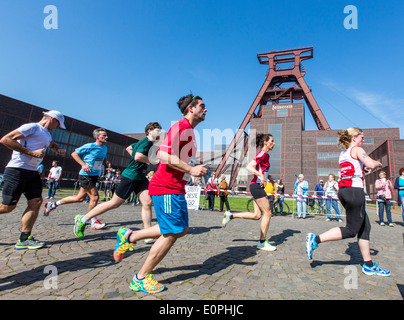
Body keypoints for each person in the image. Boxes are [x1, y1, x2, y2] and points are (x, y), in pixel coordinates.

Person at [112, 93, 207, 294]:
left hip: (175, 187)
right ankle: (141, 278)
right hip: (166, 188)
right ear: (191, 108)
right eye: (202, 106)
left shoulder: (189, 131)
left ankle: (130, 235)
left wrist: (192, 168)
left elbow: (177, 159)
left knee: (180, 229)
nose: (205, 109)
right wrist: (191, 170)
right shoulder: (180, 127)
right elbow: (163, 154)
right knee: (172, 231)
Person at [306, 127, 390, 276]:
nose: (363, 140)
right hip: (354, 191)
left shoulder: (343, 153)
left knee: (365, 227)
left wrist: (363, 169)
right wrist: (378, 163)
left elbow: (353, 169)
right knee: (352, 230)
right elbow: (370, 164)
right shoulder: (357, 149)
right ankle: (316, 239)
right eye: (362, 138)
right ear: (354, 138)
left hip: (345, 190)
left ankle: (368, 264)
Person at [73, 122, 162, 240]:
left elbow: (129, 148)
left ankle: (146, 233)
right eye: (158, 131)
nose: (160, 133)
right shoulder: (146, 141)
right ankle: (83, 219)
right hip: (131, 176)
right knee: (114, 203)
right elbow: (138, 156)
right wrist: (153, 160)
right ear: (150, 131)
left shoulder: (144, 142)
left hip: (140, 177)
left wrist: (137, 159)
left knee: (147, 202)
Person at [0, 110, 66, 249]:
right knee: (8, 207)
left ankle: (24, 238)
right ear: (52, 119)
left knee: (36, 202)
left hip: (32, 172)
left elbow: (50, 144)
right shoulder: (31, 127)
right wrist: (31, 152)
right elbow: (6, 139)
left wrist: (57, 149)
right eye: (58, 124)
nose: (58, 128)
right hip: (17, 170)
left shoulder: (47, 134)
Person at [43, 128, 110, 230]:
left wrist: (106, 163)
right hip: (86, 175)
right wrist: (83, 164)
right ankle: (93, 221)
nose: (106, 137)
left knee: (79, 198)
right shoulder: (90, 146)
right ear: (97, 137)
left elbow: (100, 158)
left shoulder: (104, 148)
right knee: (95, 197)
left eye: (106, 135)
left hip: (94, 175)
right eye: (103, 136)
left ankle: (53, 204)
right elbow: (74, 154)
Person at [222, 133, 277, 252]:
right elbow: (249, 167)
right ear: (265, 143)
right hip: (256, 186)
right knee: (267, 213)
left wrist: (269, 178)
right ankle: (262, 242)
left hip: (258, 186)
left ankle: (230, 215)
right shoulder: (262, 154)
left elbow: (261, 169)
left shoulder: (266, 155)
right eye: (272, 141)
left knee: (257, 215)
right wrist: (261, 175)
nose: (274, 143)